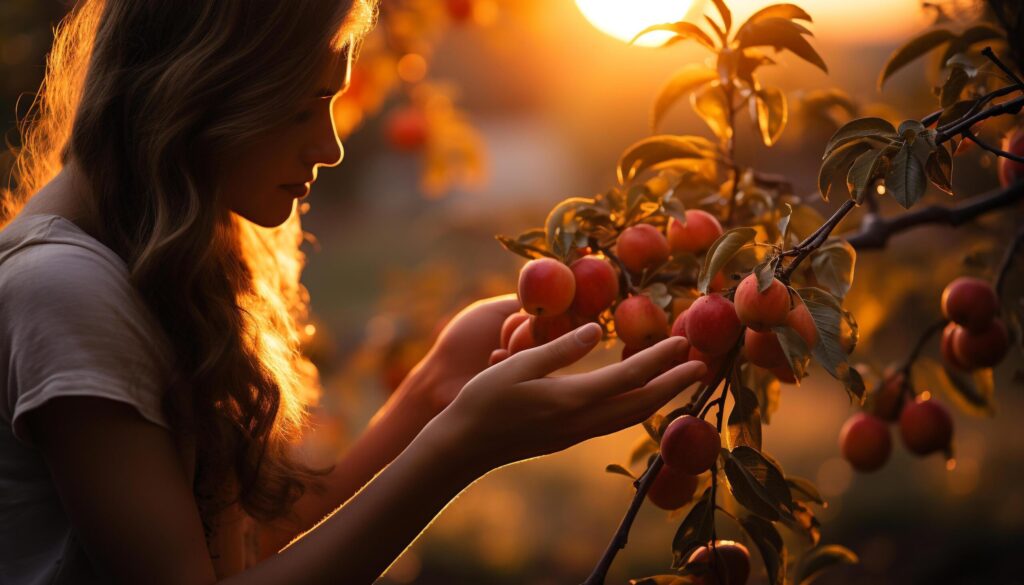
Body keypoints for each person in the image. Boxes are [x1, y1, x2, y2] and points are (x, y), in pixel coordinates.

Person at [0, 1, 707, 583]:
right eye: (308, 105)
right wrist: (460, 448)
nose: (332, 146)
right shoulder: (65, 293)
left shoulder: (154, 255)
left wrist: (435, 387)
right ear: (207, 86)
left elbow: (251, 539)